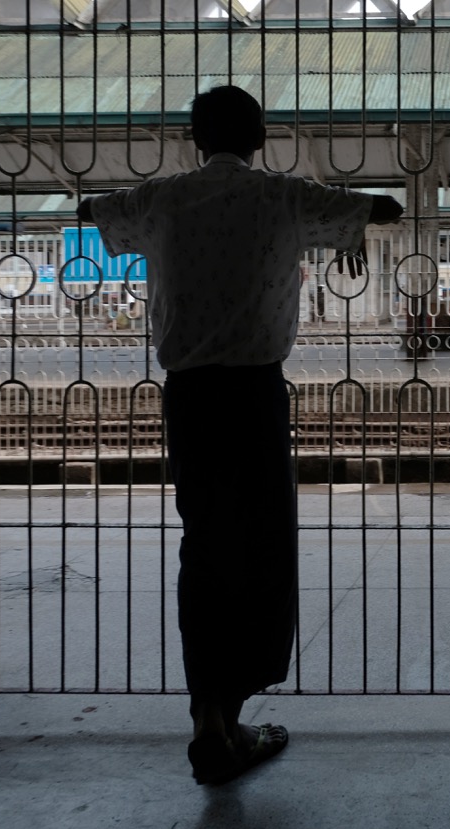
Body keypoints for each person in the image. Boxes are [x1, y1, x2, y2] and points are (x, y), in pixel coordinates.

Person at [77, 85, 403, 785]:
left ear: (195, 139)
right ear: (260, 138)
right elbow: (388, 207)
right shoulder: (283, 196)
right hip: (256, 394)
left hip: (190, 396)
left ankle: (206, 717)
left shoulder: (162, 198)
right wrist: (344, 219)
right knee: (262, 548)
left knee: (205, 545)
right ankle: (233, 713)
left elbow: (93, 210)